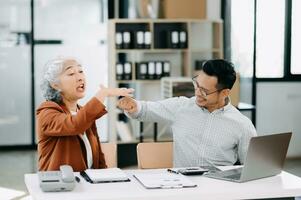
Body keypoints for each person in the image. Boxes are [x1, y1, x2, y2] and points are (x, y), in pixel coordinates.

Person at [117, 59, 257, 167]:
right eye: (197, 84)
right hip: (183, 187)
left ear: (225, 93)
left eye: (205, 91)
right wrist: (134, 106)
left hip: (219, 189)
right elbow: (146, 109)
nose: (197, 92)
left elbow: (250, 167)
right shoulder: (182, 107)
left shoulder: (242, 125)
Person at [37, 58, 134, 171]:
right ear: (56, 85)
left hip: (87, 183)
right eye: (71, 73)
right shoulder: (46, 112)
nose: (80, 77)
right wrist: (102, 94)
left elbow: (98, 156)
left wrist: (105, 178)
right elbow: (75, 125)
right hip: (61, 185)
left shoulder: (83, 112)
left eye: (81, 71)